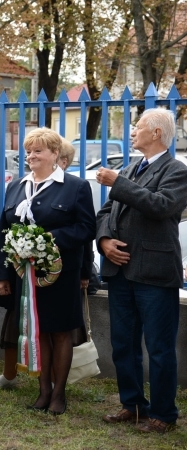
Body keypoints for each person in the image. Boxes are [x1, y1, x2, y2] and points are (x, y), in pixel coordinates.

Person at [96, 108, 187, 433]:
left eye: (138, 128)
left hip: (154, 273)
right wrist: (104, 240)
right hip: (120, 272)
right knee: (123, 344)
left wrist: (118, 183)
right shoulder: (133, 167)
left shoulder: (177, 170)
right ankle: (132, 404)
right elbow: (107, 210)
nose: (132, 132)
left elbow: (161, 206)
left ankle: (163, 414)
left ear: (157, 133)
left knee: (160, 348)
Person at [0, 128, 95, 416]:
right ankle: (43, 391)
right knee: (36, 332)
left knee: (61, 332)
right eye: (29, 150)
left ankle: (59, 393)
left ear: (55, 154)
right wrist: (2, 273)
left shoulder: (75, 186)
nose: (31, 155)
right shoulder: (17, 186)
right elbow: (3, 231)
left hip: (61, 273)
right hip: (24, 275)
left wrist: (50, 240)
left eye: (38, 150)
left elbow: (87, 228)